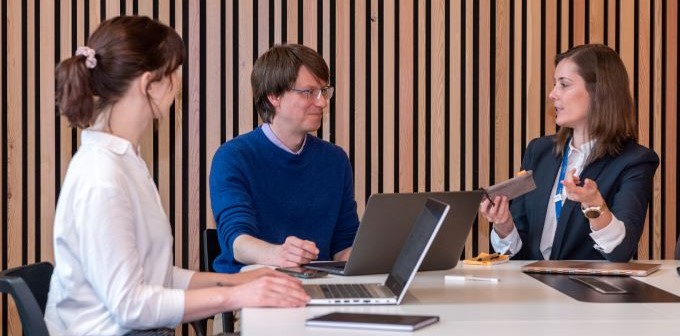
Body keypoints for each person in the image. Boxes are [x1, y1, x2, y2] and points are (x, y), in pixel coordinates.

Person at [45, 16, 309, 335]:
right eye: (174, 73)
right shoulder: (102, 176)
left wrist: (244, 279)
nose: (178, 84)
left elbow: (158, 278)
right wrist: (236, 294)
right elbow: (131, 305)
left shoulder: (125, 162)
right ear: (149, 84)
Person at [480, 44, 659, 262]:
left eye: (564, 85)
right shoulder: (539, 151)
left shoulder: (634, 161)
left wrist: (596, 208)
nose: (552, 94)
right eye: (555, 84)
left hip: (587, 293)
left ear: (599, 92)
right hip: (530, 290)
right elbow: (520, 252)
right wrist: (504, 225)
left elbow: (620, 252)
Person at [209, 44, 360, 274]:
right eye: (309, 92)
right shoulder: (233, 158)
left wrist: (387, 256)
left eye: (323, 91)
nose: (322, 102)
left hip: (321, 288)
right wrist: (281, 254)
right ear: (274, 96)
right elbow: (239, 243)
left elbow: (344, 245)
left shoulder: (335, 161)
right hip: (250, 290)